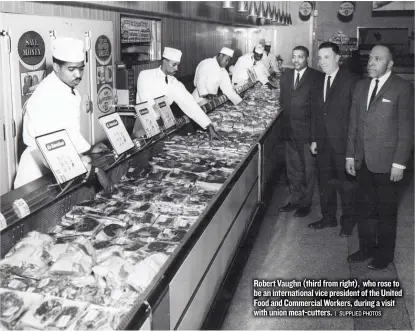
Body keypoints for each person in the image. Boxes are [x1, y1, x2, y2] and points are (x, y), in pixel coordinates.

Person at [346, 45, 414, 270]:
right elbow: (353, 125)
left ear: (390, 64)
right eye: (370, 58)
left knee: (385, 211)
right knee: (364, 208)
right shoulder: (360, 86)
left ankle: (385, 255)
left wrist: (399, 162)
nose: (371, 63)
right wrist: (350, 155)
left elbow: (407, 128)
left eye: (378, 59)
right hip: (362, 159)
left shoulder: (402, 88)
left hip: (388, 162)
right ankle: (365, 248)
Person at [14, 36, 112, 192]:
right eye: (72, 69)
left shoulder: (66, 88)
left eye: (81, 68)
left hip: (60, 168)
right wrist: (93, 170)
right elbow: (53, 147)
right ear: (57, 67)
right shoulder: (46, 96)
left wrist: (87, 149)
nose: (78, 75)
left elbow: (68, 132)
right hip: (38, 174)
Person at [308, 42, 358, 235]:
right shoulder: (318, 81)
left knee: (346, 186)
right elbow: (316, 113)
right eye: (320, 58)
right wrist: (314, 139)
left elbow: (356, 116)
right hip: (322, 142)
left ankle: (348, 222)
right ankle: (328, 217)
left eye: (327, 57)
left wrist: (353, 149)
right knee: (324, 182)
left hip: (343, 143)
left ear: (338, 58)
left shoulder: (351, 80)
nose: (322, 62)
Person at [136, 47, 222, 140]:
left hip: (165, 124)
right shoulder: (145, 76)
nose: (176, 68)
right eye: (174, 65)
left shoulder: (174, 82)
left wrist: (209, 126)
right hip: (144, 123)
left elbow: (189, 104)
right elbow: (147, 102)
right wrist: (163, 120)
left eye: (178, 65)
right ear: (164, 62)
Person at [279, 46, 323, 217]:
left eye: (300, 57)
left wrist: (315, 137)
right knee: (293, 168)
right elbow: (283, 101)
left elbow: (318, 110)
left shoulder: (316, 77)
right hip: (289, 130)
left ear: (307, 59)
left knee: (308, 170)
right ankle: (295, 199)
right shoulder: (286, 76)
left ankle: (306, 203)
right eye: (294, 56)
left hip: (307, 133)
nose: (296, 60)